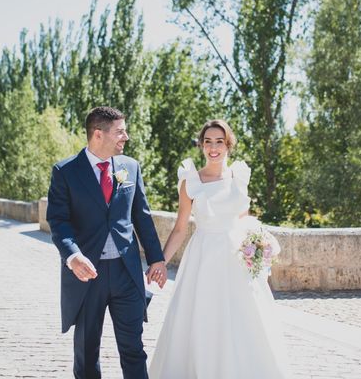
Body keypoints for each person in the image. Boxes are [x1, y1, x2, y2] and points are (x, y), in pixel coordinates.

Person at [149, 119, 291, 378]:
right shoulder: (190, 181)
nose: (213, 148)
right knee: (203, 317)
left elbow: (244, 221)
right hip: (203, 257)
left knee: (245, 320)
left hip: (236, 260)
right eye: (207, 142)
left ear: (228, 145)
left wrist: (259, 248)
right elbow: (180, 227)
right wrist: (160, 262)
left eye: (219, 142)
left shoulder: (239, 177)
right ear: (201, 146)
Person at [46, 106, 167, 379]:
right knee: (87, 354)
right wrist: (72, 255)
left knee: (134, 349)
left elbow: (142, 217)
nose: (126, 137)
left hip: (127, 273)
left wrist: (156, 258)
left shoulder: (130, 167)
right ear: (98, 134)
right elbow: (58, 220)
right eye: (120, 131)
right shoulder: (65, 171)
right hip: (88, 274)